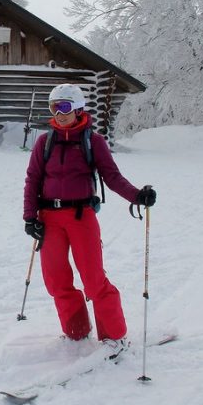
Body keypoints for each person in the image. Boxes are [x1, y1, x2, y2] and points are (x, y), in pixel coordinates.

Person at [22, 83, 156, 358]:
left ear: (78, 108)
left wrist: (137, 196)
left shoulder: (92, 142)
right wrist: (29, 217)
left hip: (81, 217)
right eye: (54, 107)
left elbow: (112, 177)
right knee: (56, 280)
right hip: (49, 218)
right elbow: (32, 180)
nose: (59, 114)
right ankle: (76, 331)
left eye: (64, 107)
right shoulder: (44, 143)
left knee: (93, 279)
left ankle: (115, 337)